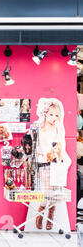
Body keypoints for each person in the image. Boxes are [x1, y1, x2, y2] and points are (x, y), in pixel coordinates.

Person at [29, 98, 71, 232]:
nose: (54, 118)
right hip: (43, 164)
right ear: (45, 113)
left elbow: (61, 147)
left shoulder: (59, 129)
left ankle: (51, 214)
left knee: (55, 193)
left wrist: (59, 130)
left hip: (56, 164)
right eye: (51, 114)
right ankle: (41, 212)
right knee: (46, 192)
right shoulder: (38, 127)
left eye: (57, 115)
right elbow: (33, 145)